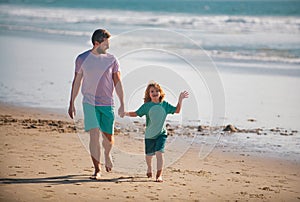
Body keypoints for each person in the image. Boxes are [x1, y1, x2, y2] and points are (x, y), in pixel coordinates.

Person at [68, 29, 125, 180]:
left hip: (107, 104)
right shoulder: (82, 59)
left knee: (108, 138)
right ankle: (97, 169)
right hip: (89, 103)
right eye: (106, 43)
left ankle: (107, 154)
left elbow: (118, 83)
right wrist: (71, 103)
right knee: (94, 137)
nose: (108, 46)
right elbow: (77, 82)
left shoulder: (112, 60)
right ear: (96, 43)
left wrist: (122, 104)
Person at [124, 81, 188, 182]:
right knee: (149, 156)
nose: (155, 93)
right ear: (149, 94)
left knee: (159, 153)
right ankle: (149, 167)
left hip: (161, 134)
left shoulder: (164, 105)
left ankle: (159, 175)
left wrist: (180, 99)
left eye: (157, 91)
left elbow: (177, 110)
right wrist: (125, 113)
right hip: (149, 135)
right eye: (152, 91)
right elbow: (136, 113)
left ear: (160, 93)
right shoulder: (146, 106)